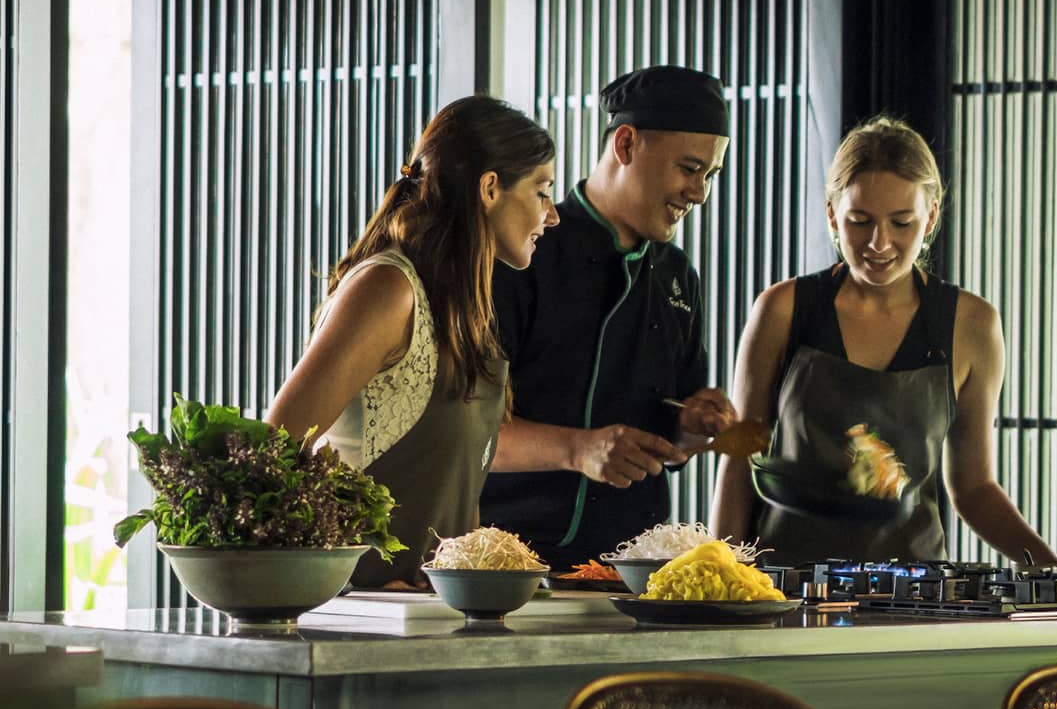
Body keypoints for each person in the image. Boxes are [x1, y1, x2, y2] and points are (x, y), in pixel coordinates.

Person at [709, 115, 1057, 566]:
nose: (879, 243)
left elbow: (974, 489)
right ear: (832, 215)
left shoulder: (971, 325)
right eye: (860, 221)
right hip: (785, 587)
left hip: (917, 593)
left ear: (930, 217)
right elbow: (740, 459)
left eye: (901, 223)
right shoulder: (782, 309)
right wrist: (721, 581)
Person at [267, 95, 558, 588]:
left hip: (436, 618)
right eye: (542, 191)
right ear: (490, 187)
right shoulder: (388, 289)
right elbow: (271, 451)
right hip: (357, 624)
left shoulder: (464, 306)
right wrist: (353, 581)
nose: (552, 216)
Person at [480, 65, 737, 570]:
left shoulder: (678, 276)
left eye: (710, 175)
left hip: (632, 570)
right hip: (507, 562)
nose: (700, 193)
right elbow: (465, 433)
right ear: (625, 144)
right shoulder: (524, 252)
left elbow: (673, 438)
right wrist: (577, 449)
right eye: (688, 169)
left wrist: (690, 427)